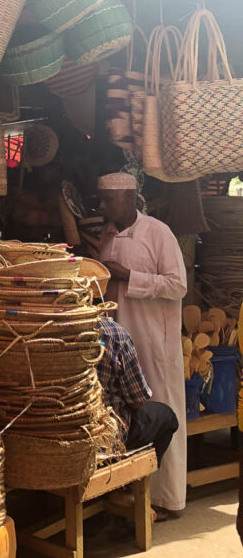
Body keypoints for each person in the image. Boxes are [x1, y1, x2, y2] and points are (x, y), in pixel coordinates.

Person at [97, 171, 188, 519]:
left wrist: (127, 276)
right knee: (128, 417)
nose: (103, 206)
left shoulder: (158, 233)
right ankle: (128, 494)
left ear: (132, 199)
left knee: (163, 411)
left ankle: (167, 498)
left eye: (110, 200)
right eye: (101, 199)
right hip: (120, 343)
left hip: (154, 340)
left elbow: (177, 285)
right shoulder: (107, 234)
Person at [96, 315, 179, 461]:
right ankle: (132, 477)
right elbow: (137, 400)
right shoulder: (112, 332)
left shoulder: (42, 330)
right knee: (167, 416)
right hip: (103, 436)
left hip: (48, 435)